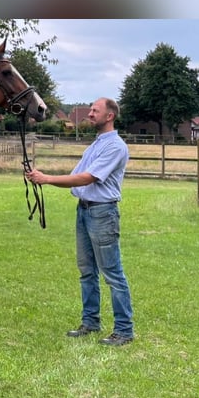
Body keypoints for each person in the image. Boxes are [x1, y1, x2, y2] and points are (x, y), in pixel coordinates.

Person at [25, 97, 134, 346]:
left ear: (110, 116)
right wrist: (40, 177)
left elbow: (88, 178)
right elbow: (76, 175)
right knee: (87, 272)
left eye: (96, 110)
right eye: (92, 110)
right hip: (84, 212)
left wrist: (48, 179)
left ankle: (124, 330)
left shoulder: (115, 146)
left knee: (112, 273)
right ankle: (90, 322)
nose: (91, 113)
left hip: (102, 213)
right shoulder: (95, 145)